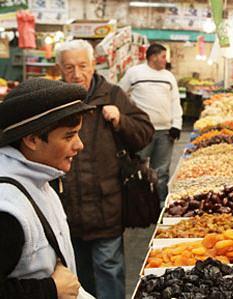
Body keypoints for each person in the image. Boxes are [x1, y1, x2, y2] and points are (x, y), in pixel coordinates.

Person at [54, 39, 154, 299]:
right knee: (79, 279)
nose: (76, 74)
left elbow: (145, 132)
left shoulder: (112, 94)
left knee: (109, 272)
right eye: (69, 68)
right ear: (59, 69)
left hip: (106, 209)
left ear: (94, 65)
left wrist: (121, 120)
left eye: (82, 66)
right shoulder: (52, 102)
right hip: (67, 213)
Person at [0, 78, 94, 298]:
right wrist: (50, 290)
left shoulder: (39, 179)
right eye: (69, 135)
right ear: (32, 140)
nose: (80, 145)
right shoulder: (7, 211)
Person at [118, 43, 183, 203]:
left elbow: (175, 101)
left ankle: (160, 203)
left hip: (165, 132)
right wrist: (127, 119)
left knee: (161, 170)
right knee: (136, 168)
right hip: (141, 132)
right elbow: (119, 94)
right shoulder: (135, 73)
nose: (165, 60)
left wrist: (177, 124)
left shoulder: (168, 77)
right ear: (153, 57)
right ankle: (136, 204)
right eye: (163, 56)